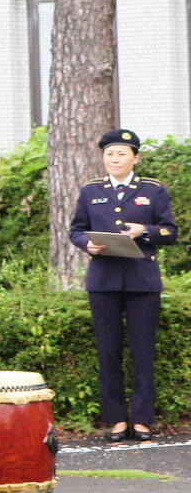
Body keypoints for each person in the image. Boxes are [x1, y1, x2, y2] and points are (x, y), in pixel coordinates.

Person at [70, 128, 177, 441]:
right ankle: (115, 419)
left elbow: (170, 232)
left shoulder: (153, 190)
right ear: (103, 158)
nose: (114, 159)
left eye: (121, 154)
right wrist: (86, 245)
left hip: (142, 282)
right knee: (109, 352)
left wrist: (143, 230)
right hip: (103, 281)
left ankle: (142, 419)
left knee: (143, 352)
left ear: (136, 158)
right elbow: (76, 230)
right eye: (109, 154)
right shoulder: (91, 190)